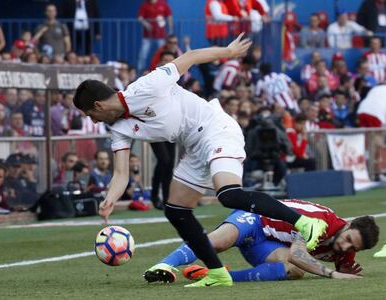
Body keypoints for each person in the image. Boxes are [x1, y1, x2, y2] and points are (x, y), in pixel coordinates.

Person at [72, 33, 327, 287]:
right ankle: (217, 273)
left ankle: (305, 223)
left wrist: (228, 52)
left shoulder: (146, 86)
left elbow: (190, 57)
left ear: (99, 105)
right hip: (194, 147)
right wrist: (110, 199)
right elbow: (121, 174)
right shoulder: (118, 129)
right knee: (176, 210)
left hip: (216, 129)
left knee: (229, 195)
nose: (93, 121)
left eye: (91, 115)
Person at [146, 199, 378, 283]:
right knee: (216, 242)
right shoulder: (321, 223)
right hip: (255, 220)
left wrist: (346, 268)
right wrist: (334, 274)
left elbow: (298, 262)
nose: (345, 248)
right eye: (348, 240)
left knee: (294, 271)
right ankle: (164, 265)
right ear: (347, 224)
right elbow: (298, 254)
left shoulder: (348, 246)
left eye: (353, 248)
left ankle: (212, 275)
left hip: (267, 244)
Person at [137, 0, 173, 73]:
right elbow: (140, 18)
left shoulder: (163, 4)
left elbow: (169, 16)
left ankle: (164, 71)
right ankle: (140, 72)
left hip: (160, 35)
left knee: (163, 54)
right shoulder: (144, 5)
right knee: (143, 55)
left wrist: (171, 30)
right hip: (148, 36)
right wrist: (146, 24)